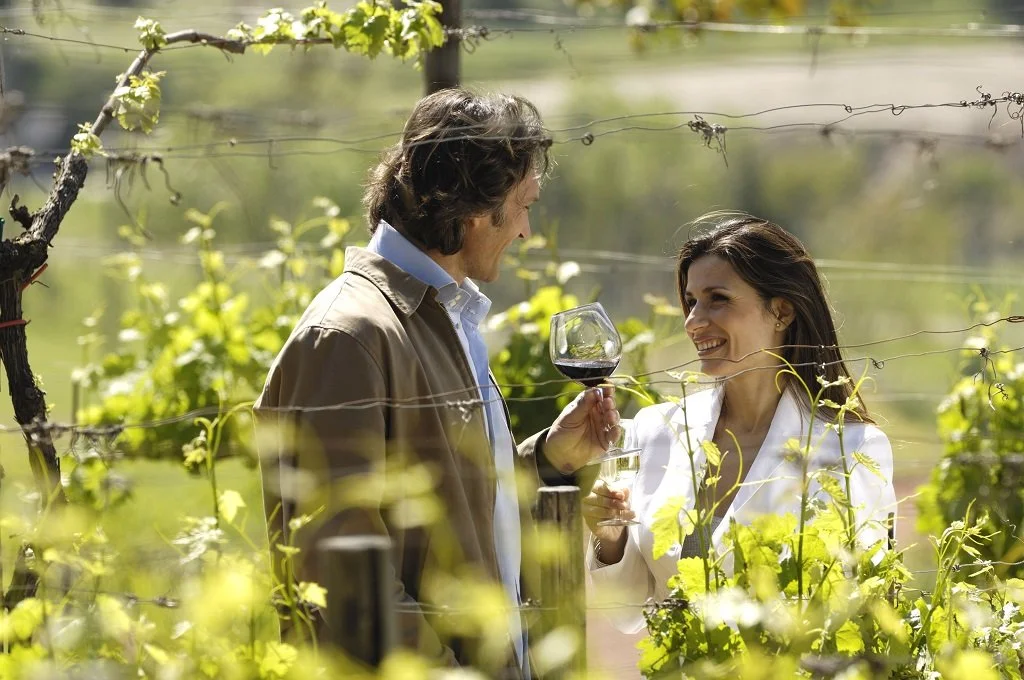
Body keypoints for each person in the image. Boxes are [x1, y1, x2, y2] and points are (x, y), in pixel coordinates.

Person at [253, 88, 618, 676]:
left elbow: (452, 514)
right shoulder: (349, 336)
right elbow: (345, 581)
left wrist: (546, 460)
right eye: (524, 205)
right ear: (474, 206)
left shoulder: (443, 317)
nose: (526, 230)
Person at [583, 213, 897, 633]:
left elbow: (866, 604)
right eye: (691, 301)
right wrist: (610, 536)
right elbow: (626, 608)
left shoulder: (851, 447)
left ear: (781, 311)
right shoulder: (653, 430)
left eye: (718, 299)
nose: (694, 320)